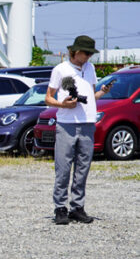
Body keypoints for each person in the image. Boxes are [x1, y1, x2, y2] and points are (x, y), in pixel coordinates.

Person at [45, 35, 113, 225]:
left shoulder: (90, 68)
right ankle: (60, 208)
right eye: (86, 53)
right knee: (63, 168)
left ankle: (77, 207)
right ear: (75, 52)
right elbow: (48, 98)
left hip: (88, 123)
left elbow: (91, 95)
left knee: (83, 167)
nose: (89, 56)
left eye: (91, 53)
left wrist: (102, 92)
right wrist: (63, 104)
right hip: (66, 123)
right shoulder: (60, 69)